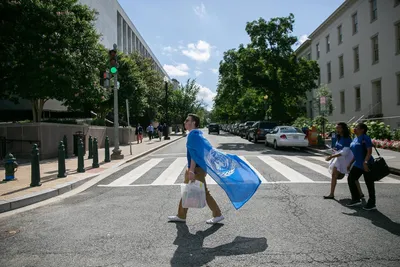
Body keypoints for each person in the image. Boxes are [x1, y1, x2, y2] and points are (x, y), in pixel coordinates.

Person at [168, 114, 224, 224]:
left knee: (204, 193)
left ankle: (218, 214)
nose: (185, 122)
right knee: (187, 192)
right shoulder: (197, 134)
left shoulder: (193, 135)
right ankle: (181, 215)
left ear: (193, 123)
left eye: (187, 120)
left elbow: (195, 155)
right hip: (197, 168)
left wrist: (192, 170)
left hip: (196, 169)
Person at [324, 122, 364, 199]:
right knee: (334, 175)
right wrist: (334, 150)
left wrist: (332, 156)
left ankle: (360, 193)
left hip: (347, 160)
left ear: (343, 129)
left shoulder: (347, 139)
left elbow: (345, 152)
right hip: (339, 160)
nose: (337, 129)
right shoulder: (338, 137)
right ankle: (331, 194)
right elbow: (338, 147)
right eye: (336, 128)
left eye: (339, 128)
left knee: (353, 178)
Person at [346, 123, 376, 210]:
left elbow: (369, 151)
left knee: (369, 183)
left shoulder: (365, 138)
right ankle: (356, 199)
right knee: (351, 179)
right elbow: (356, 153)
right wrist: (350, 163)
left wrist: (365, 162)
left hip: (366, 164)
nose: (354, 129)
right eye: (355, 127)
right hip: (358, 164)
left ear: (362, 130)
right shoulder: (355, 139)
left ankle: (372, 203)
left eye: (357, 128)